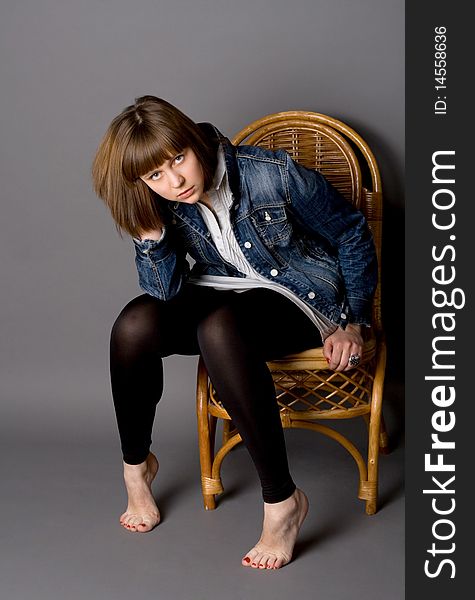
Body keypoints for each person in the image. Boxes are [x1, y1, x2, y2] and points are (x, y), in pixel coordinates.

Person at [91, 95, 378, 570]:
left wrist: (354, 320)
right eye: (154, 175)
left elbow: (350, 231)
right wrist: (151, 236)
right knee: (134, 326)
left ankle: (283, 502)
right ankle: (137, 469)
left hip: (298, 294)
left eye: (177, 159)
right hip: (220, 291)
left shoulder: (271, 172)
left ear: (191, 140)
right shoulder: (163, 201)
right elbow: (164, 292)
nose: (175, 181)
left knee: (219, 328)